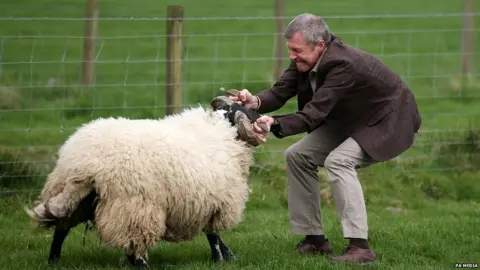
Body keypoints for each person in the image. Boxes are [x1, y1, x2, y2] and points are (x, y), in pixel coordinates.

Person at [229, 13, 422, 264]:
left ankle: (360, 248)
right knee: (297, 156)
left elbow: (313, 114)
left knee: (339, 161)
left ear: (320, 45)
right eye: (290, 49)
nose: (292, 56)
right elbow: (280, 91)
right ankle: (315, 241)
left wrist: (275, 123)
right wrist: (253, 101)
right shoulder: (305, 59)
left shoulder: (343, 64)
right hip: (352, 118)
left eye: (297, 50)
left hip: (387, 120)